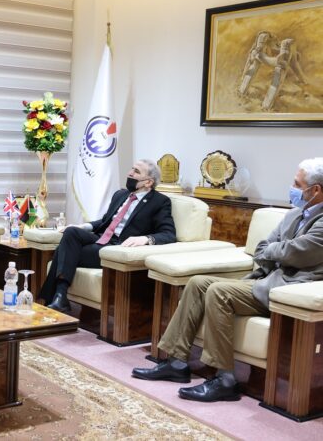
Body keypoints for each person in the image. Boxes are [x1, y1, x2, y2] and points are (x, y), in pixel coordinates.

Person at [132, 158, 323, 403]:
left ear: (315, 190)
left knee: (219, 292)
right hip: (264, 280)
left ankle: (225, 380)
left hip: (287, 290)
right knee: (198, 283)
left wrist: (276, 251)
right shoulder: (295, 214)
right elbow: (262, 247)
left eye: (297, 184)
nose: (292, 188)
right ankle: (176, 362)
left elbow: (296, 252)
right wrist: (276, 251)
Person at [40, 159, 176, 312]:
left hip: (117, 246)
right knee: (71, 232)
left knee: (63, 250)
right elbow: (106, 221)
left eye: (137, 172)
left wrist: (145, 239)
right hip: (102, 237)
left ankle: (57, 296)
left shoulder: (160, 202)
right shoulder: (120, 195)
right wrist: (83, 226)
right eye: (132, 169)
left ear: (148, 182)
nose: (130, 173)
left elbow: (169, 234)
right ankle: (59, 299)